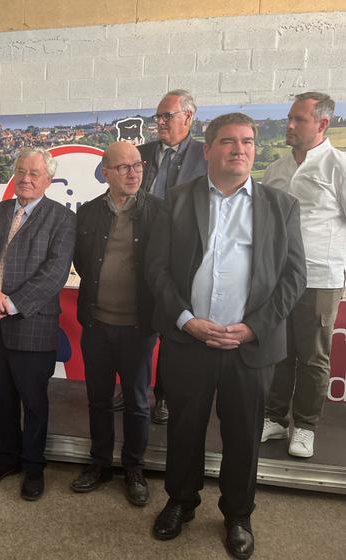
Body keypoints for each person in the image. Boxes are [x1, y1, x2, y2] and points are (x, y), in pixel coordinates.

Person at [146, 113, 306, 559]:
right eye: (229, 141)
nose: (240, 149)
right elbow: (156, 270)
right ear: (209, 148)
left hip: (249, 347)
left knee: (242, 435)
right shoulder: (177, 200)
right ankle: (181, 501)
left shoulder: (280, 206)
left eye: (248, 142)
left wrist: (254, 327)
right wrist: (184, 319)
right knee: (184, 430)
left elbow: (294, 278)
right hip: (188, 340)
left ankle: (238, 513)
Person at [0, 147, 76, 501]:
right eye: (21, 172)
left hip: (31, 323)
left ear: (48, 179)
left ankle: (33, 466)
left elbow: (55, 273)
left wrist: (10, 303)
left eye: (34, 173)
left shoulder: (62, 218)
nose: (26, 179)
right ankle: (6, 457)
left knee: (34, 401)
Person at [71, 142, 161, 505]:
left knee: (138, 403)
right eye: (123, 167)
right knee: (98, 400)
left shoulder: (159, 211)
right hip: (97, 324)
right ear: (105, 172)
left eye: (137, 165)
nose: (133, 172)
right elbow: (81, 260)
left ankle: (133, 468)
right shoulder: (89, 212)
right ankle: (99, 463)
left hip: (139, 328)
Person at [261, 92, 346, 458]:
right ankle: (275, 418)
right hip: (279, 278)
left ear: (322, 124)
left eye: (299, 119)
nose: (289, 125)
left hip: (320, 277)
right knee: (279, 352)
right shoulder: (275, 169)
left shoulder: (338, 166)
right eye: (289, 118)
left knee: (312, 357)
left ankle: (306, 426)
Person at [139, 89, 208, 425]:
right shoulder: (141, 153)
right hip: (138, 252)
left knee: (171, 327)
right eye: (158, 116)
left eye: (167, 116)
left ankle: (163, 396)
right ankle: (137, 389)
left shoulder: (205, 156)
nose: (161, 122)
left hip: (179, 257)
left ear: (188, 117)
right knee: (138, 324)